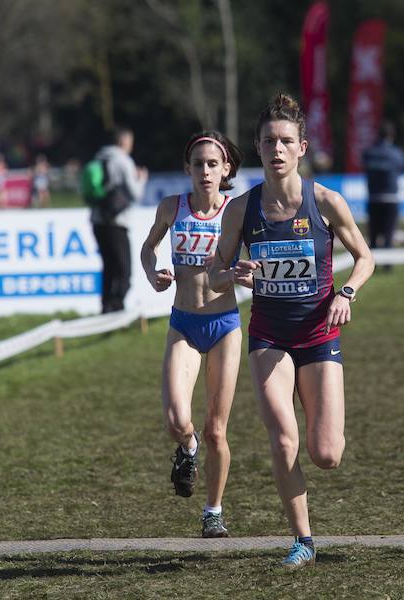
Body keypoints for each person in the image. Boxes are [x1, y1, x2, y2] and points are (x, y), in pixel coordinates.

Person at [209, 93, 374, 569]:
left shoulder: (325, 201)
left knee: (326, 454)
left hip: (319, 336)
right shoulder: (242, 209)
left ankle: (321, 431)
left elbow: (365, 258)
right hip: (269, 337)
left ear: (302, 147)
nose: (276, 150)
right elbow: (215, 272)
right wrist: (233, 273)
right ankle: (303, 539)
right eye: (267, 142)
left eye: (285, 141)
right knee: (283, 439)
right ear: (258, 150)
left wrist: (346, 294)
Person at [140, 130, 243, 538]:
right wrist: (152, 273)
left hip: (224, 326)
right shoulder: (171, 208)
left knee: (218, 428)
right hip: (183, 322)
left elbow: (254, 262)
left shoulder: (235, 212)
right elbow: (148, 248)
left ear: (226, 169)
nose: (205, 171)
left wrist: (245, 275)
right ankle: (187, 448)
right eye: (198, 164)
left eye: (213, 164)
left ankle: (213, 511)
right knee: (175, 420)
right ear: (187, 168)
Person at [91, 126, 148, 313]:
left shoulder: (100, 157)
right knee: (124, 270)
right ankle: (116, 308)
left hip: (97, 220)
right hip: (117, 222)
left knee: (108, 267)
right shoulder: (123, 161)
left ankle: (105, 306)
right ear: (124, 141)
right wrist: (141, 179)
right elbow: (135, 193)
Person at [362, 121, 404, 263]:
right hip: (391, 197)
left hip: (373, 197)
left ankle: (372, 264)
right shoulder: (397, 153)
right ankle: (388, 263)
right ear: (392, 135)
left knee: (373, 235)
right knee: (389, 233)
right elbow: (402, 168)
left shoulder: (369, 152)